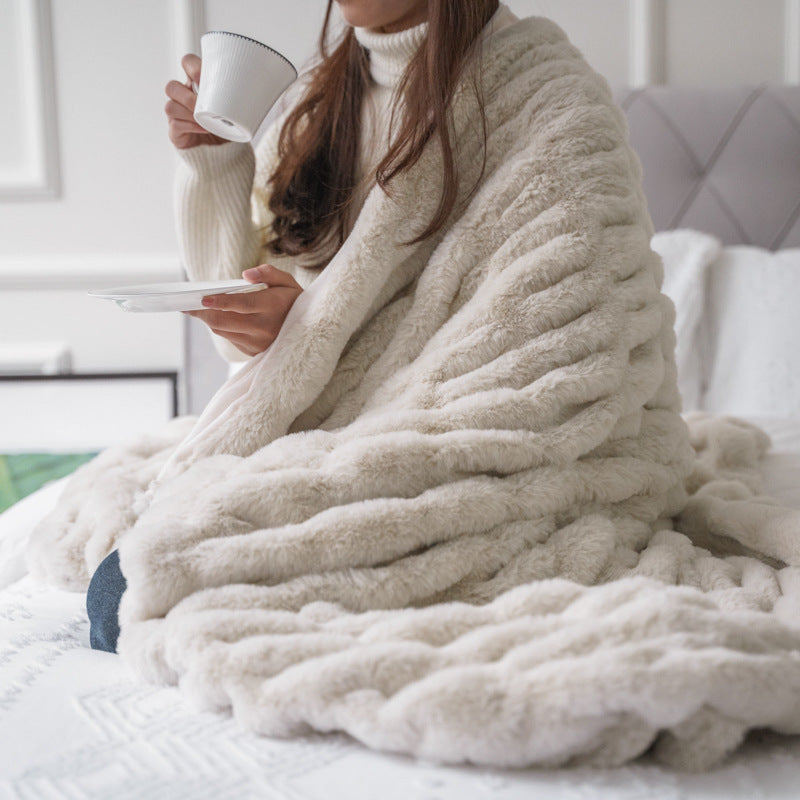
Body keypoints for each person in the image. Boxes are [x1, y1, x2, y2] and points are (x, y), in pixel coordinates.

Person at [87, 0, 519, 652]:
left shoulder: (544, 100)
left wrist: (312, 335)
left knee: (131, 591)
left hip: (444, 444)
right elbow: (246, 343)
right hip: (312, 432)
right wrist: (217, 168)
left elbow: (535, 352)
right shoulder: (316, 101)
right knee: (116, 594)